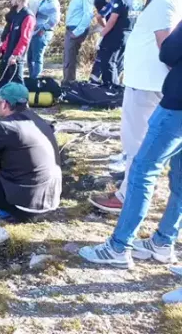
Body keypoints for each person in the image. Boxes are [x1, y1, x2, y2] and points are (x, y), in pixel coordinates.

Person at [79, 16, 182, 269]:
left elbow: (168, 52)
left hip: (176, 106)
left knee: (142, 170)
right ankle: (163, 242)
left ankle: (119, 246)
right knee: (179, 177)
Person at [88, 0, 182, 214]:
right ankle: (136, 190)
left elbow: (170, 48)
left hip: (148, 85)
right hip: (152, 84)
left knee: (137, 143)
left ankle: (127, 196)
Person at [0, 82, 62, 222]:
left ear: (3, 103)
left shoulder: (4, 126)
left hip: (26, 208)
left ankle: (6, 213)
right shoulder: (39, 121)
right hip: (51, 202)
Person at [89, 0, 143, 86]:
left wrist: (102, 34)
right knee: (119, 62)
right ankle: (116, 86)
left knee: (108, 62)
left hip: (116, 35)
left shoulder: (121, 0)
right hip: (130, 34)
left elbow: (112, 20)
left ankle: (111, 88)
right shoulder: (138, 0)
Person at [0, 0, 35, 90]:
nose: (12, 1)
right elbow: (10, 34)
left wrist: (15, 55)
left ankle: (21, 104)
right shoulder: (15, 15)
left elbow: (24, 39)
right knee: (2, 80)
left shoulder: (28, 16)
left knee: (17, 81)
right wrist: (1, 49)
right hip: (8, 52)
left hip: (16, 56)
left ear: (19, 0)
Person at [63, 0, 94, 83]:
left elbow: (88, 14)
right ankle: (66, 83)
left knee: (70, 59)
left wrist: (77, 32)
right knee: (67, 58)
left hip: (76, 30)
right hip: (70, 28)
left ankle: (69, 85)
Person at [28, 0, 61, 79]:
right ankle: (31, 79)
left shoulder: (52, 2)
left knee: (37, 58)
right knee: (30, 58)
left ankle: (35, 79)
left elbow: (55, 19)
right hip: (34, 32)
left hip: (41, 33)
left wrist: (44, 28)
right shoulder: (43, 0)